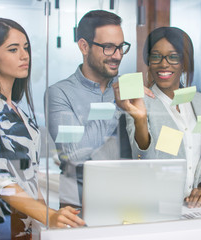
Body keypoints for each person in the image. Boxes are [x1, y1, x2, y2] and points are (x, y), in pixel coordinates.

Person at [0, 18, 85, 239]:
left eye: (26, 48)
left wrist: (46, 220)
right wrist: (47, 214)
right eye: (13, 49)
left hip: (25, 229)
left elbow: (29, 178)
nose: (24, 55)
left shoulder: (20, 112)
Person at [46, 10, 143, 209]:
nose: (117, 56)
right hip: (77, 206)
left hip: (128, 201)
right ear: (84, 46)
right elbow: (74, 154)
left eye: (121, 47)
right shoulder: (58, 93)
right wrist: (115, 106)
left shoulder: (129, 89)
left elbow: (144, 149)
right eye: (108, 47)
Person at [114, 27, 201, 208]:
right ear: (149, 62)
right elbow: (144, 159)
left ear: (184, 63)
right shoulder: (140, 101)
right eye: (156, 56)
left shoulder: (199, 101)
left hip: (196, 211)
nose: (164, 64)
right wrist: (140, 119)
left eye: (173, 57)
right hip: (156, 207)